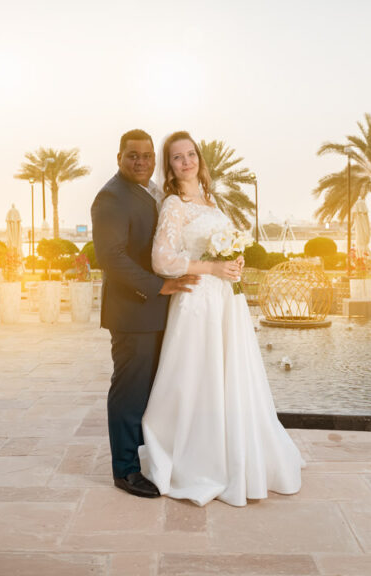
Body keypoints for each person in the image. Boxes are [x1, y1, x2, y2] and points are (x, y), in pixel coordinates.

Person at [139, 131, 305, 507]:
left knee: (231, 372)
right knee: (198, 373)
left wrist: (234, 261)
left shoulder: (212, 201)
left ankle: (237, 449)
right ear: (169, 166)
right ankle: (197, 456)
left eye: (191, 154)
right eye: (177, 157)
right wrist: (212, 266)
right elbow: (162, 260)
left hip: (225, 300)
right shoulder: (174, 205)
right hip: (197, 299)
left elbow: (224, 244)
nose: (186, 162)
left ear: (200, 157)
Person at [91, 129, 199, 499]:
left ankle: (146, 458)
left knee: (152, 391)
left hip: (156, 312)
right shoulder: (111, 197)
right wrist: (157, 287)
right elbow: (110, 257)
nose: (141, 162)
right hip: (133, 314)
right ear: (118, 157)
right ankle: (124, 470)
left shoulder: (152, 191)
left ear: (155, 158)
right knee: (130, 392)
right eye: (132, 156)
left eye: (147, 156)